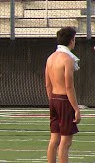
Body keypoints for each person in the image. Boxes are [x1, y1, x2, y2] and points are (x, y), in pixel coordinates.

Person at [45, 27, 81, 163]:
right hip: (64, 100)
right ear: (71, 40)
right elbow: (69, 86)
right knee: (65, 142)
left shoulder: (50, 58)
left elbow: (48, 84)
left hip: (53, 98)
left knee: (54, 139)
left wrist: (52, 100)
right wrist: (76, 109)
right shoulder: (67, 59)